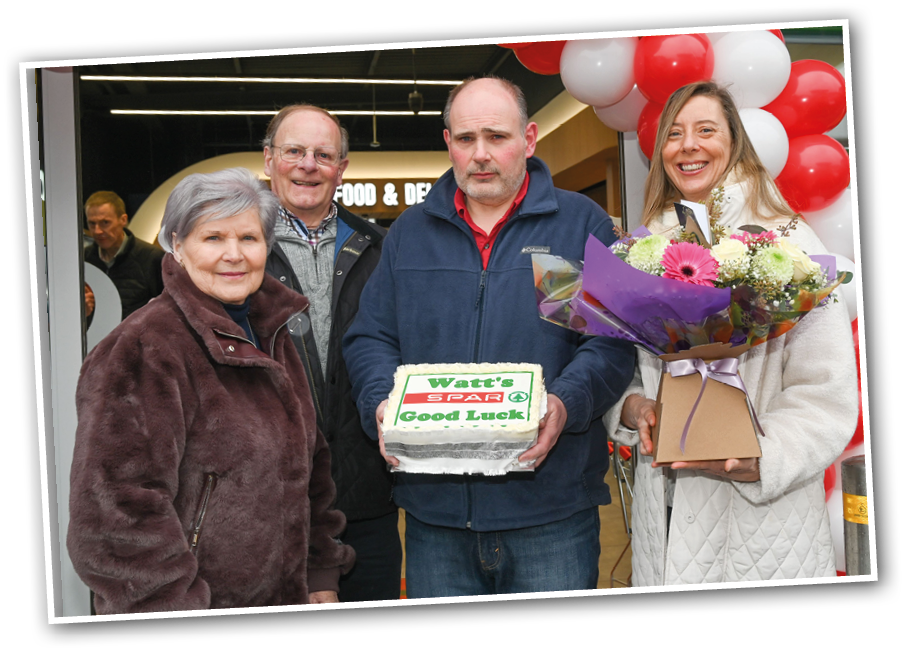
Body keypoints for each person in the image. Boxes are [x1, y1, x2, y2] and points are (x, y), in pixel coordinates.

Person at [343, 76, 636, 599]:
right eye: (465, 138)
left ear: (529, 138)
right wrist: (380, 404)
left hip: (551, 511)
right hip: (436, 518)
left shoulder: (576, 226)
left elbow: (608, 342)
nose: (480, 155)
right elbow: (371, 337)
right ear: (447, 142)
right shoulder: (409, 234)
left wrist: (565, 405)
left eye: (496, 137)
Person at [68, 168, 355, 614]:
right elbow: (116, 518)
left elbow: (309, 467)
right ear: (177, 246)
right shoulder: (145, 347)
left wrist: (320, 570)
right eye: (214, 238)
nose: (234, 255)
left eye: (248, 238)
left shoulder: (271, 331)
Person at [606, 81, 858, 585]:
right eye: (674, 134)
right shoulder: (643, 250)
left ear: (735, 142)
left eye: (705, 130)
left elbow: (826, 394)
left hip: (759, 529)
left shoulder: (789, 246)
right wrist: (634, 409)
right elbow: (625, 367)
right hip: (667, 515)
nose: (688, 145)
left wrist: (761, 458)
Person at [261, 104, 400, 603]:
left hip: (367, 499)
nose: (307, 164)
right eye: (294, 151)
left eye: (324, 154)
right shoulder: (237, 249)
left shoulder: (379, 247)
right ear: (268, 159)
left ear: (342, 168)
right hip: (270, 506)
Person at [83, 190, 165, 320]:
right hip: (96, 339)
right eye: (92, 223)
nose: (97, 231)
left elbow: (168, 310)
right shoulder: (83, 260)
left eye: (105, 223)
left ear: (123, 220)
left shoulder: (151, 258)